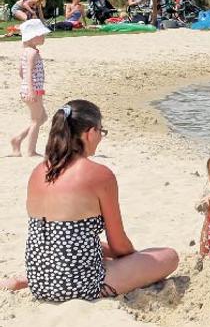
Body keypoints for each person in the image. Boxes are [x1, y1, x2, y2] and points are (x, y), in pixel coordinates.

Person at [1, 100, 179, 299]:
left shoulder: (38, 171)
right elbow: (119, 245)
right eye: (101, 131)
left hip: (40, 281)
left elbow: (59, 236)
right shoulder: (100, 175)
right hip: (78, 286)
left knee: (82, 244)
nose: (101, 137)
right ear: (90, 132)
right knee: (169, 256)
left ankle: (24, 280)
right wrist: (135, 257)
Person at [10, 20, 50, 157]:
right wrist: (31, 90)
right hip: (33, 91)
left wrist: (26, 86)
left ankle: (18, 139)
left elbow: (21, 72)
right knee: (36, 121)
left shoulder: (25, 52)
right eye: (41, 35)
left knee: (42, 117)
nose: (44, 37)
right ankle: (31, 151)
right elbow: (28, 73)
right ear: (32, 37)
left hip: (28, 89)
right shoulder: (32, 53)